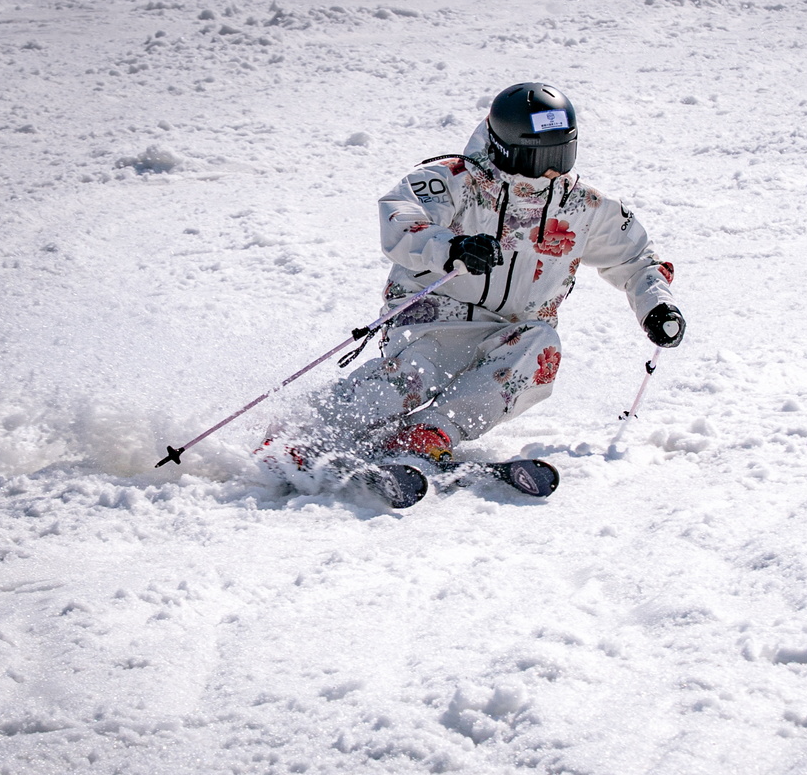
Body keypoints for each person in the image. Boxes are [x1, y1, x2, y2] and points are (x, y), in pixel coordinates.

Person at [257, 82, 684, 498]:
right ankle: (305, 432)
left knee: (539, 351)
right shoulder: (455, 180)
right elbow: (400, 217)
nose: (553, 169)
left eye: (562, 153)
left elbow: (638, 259)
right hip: (435, 318)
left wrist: (656, 306)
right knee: (412, 375)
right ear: (505, 148)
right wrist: (450, 246)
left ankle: (428, 434)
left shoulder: (584, 207)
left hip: (515, 330)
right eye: (539, 157)